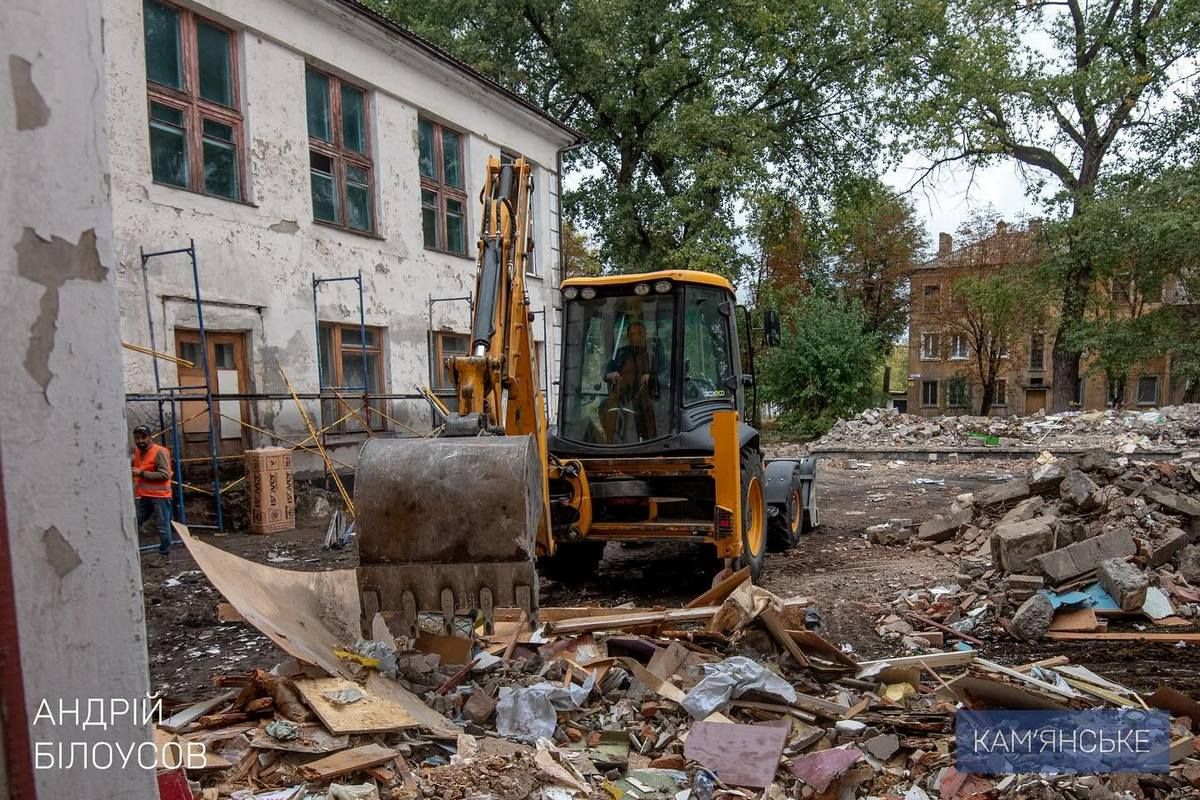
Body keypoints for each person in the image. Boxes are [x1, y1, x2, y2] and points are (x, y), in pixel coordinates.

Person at [602, 321, 664, 441]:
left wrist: (651, 377)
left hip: (650, 402)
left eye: (639, 333)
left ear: (645, 334)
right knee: (604, 409)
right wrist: (611, 374)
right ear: (627, 336)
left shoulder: (655, 353)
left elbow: (665, 374)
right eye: (632, 334)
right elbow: (606, 372)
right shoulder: (621, 354)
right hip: (626, 401)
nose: (635, 337)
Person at [131, 425, 174, 559]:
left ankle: (164, 555)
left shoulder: (160, 451)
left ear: (150, 437)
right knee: (135, 521)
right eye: (137, 438)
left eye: (143, 437)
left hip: (160, 496)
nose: (140, 441)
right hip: (145, 495)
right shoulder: (138, 452)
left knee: (163, 526)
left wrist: (141, 473)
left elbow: (165, 475)